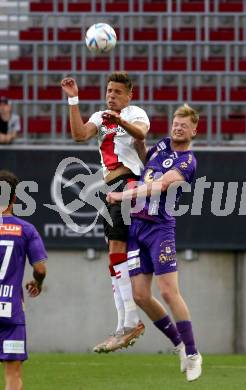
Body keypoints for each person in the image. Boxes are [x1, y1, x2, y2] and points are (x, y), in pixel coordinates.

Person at [107, 104, 202, 381]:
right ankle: (179, 344)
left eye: (184, 125)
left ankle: (194, 353)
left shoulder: (187, 161)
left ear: (194, 130)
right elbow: (148, 164)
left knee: (169, 292)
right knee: (139, 295)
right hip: (138, 226)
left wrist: (121, 196)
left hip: (160, 228)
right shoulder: (161, 146)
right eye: (175, 122)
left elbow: (160, 186)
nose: (177, 127)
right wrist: (138, 143)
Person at [61, 71, 150, 352]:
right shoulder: (100, 117)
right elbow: (78, 135)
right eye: (109, 91)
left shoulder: (135, 113)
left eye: (117, 92)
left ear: (129, 95)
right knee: (114, 254)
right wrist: (73, 100)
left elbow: (142, 134)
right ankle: (123, 325)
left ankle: (131, 322)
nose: (111, 95)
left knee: (117, 247)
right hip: (110, 188)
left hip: (129, 184)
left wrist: (121, 120)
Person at [0, 170, 47, 390]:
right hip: (11, 311)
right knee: (13, 373)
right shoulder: (26, 230)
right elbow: (40, 268)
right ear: (15, 198)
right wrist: (37, 282)